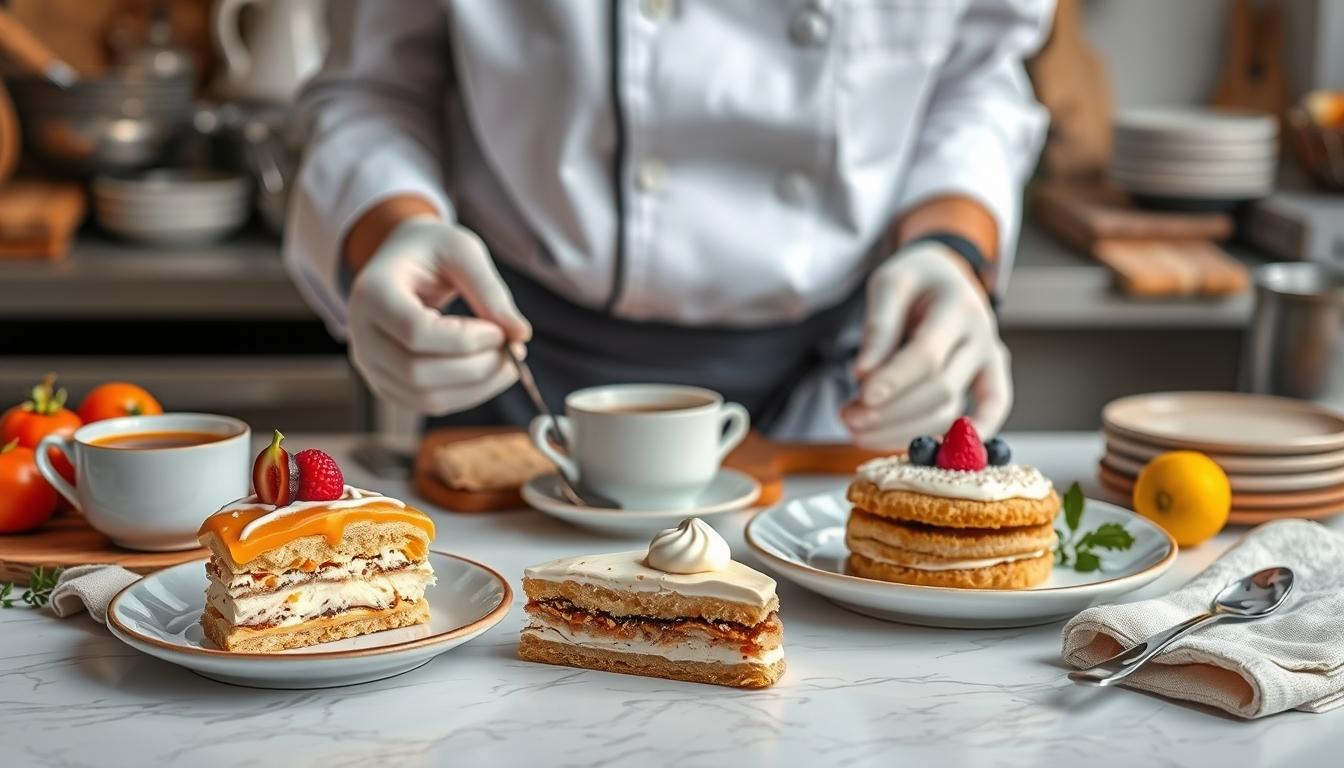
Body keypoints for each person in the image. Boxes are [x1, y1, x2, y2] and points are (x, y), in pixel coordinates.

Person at [285, 0, 1053, 448]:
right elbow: (374, 87)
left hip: (851, 384)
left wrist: (952, 250)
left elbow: (976, 78)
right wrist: (390, 234)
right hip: (516, 372)